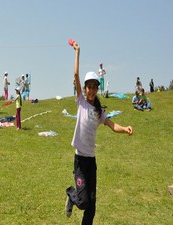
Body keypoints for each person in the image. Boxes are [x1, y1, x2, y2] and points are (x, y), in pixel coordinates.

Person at [65, 41, 133, 225]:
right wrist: (77, 52)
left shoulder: (98, 111)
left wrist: (124, 128)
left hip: (91, 161)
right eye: (89, 86)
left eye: (95, 87)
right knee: (82, 201)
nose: (92, 90)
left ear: (97, 89)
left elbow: (112, 125)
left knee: (92, 206)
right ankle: (71, 195)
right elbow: (76, 74)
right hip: (80, 160)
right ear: (84, 89)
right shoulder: (81, 101)